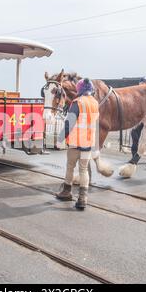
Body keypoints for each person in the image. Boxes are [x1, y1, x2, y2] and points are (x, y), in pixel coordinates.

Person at [56, 78, 99, 211]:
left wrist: (60, 139)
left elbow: (69, 123)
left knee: (70, 167)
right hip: (88, 144)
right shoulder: (95, 103)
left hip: (75, 143)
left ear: (79, 90)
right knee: (83, 170)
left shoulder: (77, 103)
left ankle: (66, 192)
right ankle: (82, 199)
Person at [130, 77, 146, 164]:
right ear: (139, 84)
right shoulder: (136, 94)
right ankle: (134, 157)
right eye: (142, 83)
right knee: (134, 136)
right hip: (138, 120)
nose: (144, 85)